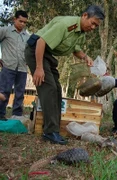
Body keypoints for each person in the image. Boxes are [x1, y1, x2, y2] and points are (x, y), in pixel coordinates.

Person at [25, 5, 105, 145]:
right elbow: (41, 41)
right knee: (48, 88)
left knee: (56, 90)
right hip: (36, 50)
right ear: (85, 15)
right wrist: (38, 68)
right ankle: (50, 133)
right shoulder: (65, 25)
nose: (93, 28)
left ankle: (53, 129)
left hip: (47, 54)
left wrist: (85, 57)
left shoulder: (80, 32)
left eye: (96, 26)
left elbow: (75, 50)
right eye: (92, 23)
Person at [0, 10, 29, 121]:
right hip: (8, 66)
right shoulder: (5, 31)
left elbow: (29, 51)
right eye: (20, 21)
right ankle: (0, 114)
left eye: (24, 22)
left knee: (20, 92)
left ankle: (17, 115)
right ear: (14, 19)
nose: (22, 24)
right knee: (4, 90)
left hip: (22, 68)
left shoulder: (26, 36)